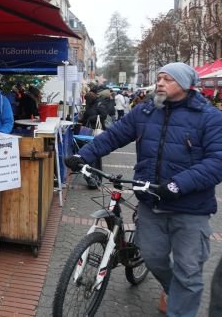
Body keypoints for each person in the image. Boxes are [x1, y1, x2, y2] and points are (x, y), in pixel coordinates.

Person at [65, 62, 222, 317]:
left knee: (189, 271)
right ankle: (174, 290)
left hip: (190, 210)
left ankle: (180, 304)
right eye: (158, 77)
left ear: (184, 84)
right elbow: (114, 135)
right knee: (152, 258)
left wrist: (176, 185)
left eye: (167, 79)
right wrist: (83, 156)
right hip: (151, 203)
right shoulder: (146, 111)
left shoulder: (210, 117)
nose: (159, 83)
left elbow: (217, 162)